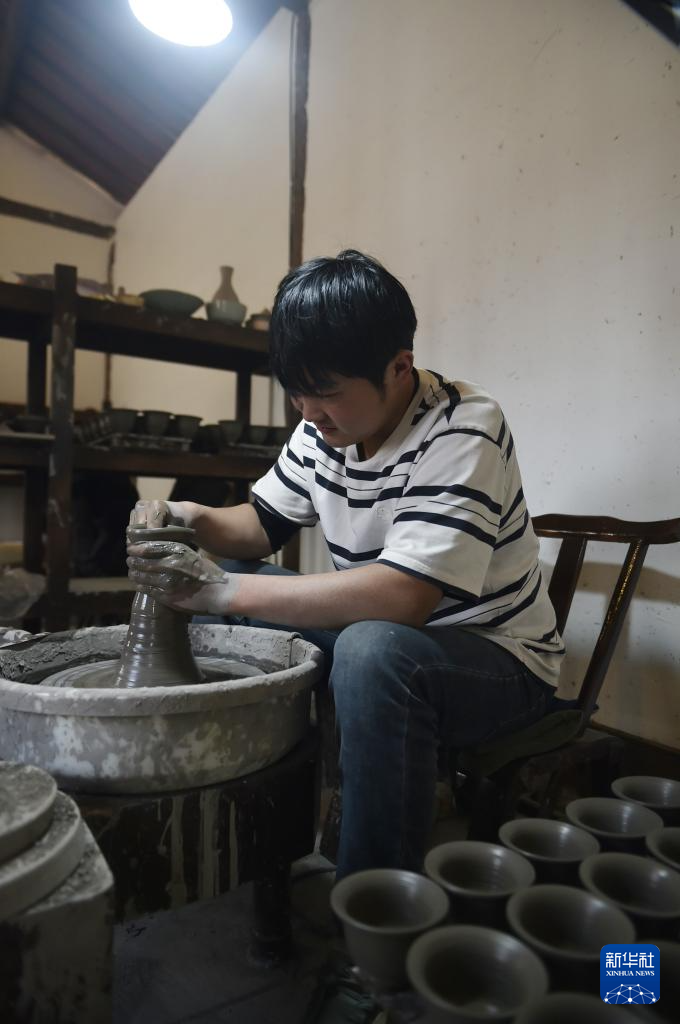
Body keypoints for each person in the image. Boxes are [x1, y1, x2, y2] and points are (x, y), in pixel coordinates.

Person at [127, 249, 565, 882]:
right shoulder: (321, 428)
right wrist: (189, 516)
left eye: (327, 394)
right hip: (392, 636)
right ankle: (252, 814)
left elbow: (403, 598)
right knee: (234, 601)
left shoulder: (463, 424)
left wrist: (219, 589)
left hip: (497, 660)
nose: (308, 412)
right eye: (297, 393)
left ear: (398, 367)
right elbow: (260, 527)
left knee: (368, 650)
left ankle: (373, 901)